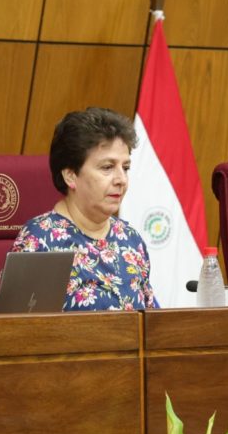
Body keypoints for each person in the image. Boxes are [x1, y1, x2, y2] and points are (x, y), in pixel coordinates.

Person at [10, 107, 157, 311]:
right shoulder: (41, 240)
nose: (121, 180)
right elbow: (19, 334)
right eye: (107, 167)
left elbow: (154, 325)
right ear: (70, 175)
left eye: (125, 168)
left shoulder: (130, 238)